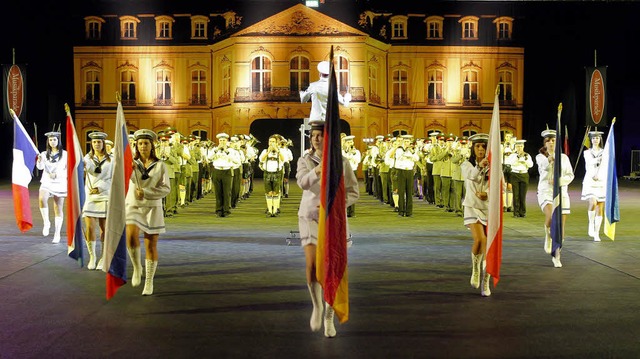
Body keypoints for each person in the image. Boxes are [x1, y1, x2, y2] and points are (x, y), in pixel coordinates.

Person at [297, 120, 359, 338]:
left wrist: (335, 204)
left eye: (320, 135)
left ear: (328, 138)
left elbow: (353, 192)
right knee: (313, 264)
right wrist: (317, 169)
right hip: (310, 217)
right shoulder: (304, 160)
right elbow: (302, 183)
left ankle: (329, 316)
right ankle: (317, 305)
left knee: (332, 268)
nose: (316, 138)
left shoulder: (342, 162)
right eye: (313, 135)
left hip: (333, 219)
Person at [125, 129, 171, 296]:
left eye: (146, 143)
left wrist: (147, 192)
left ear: (152, 145)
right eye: (140, 143)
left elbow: (166, 188)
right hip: (133, 205)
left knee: (150, 245)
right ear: (136, 145)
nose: (143, 146)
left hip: (152, 207)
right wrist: (126, 167)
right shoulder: (130, 164)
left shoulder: (160, 166)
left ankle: (149, 281)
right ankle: (137, 268)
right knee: (130, 238)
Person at [536, 129, 574, 268]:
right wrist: (549, 160)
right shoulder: (540, 157)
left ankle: (557, 254)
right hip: (546, 191)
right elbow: (543, 167)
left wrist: (560, 181)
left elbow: (570, 175)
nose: (551, 143)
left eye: (553, 140)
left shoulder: (564, 158)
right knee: (551, 218)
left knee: (560, 226)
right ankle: (548, 236)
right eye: (548, 141)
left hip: (561, 192)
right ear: (544, 143)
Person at [460, 133, 492, 297]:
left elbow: (498, 186)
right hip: (472, 207)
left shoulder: (494, 165)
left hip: (488, 208)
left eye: (483, 146)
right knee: (480, 239)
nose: (480, 149)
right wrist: (480, 165)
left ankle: (486, 282)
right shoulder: (466, 164)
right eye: (477, 146)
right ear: (472, 148)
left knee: (489, 246)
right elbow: (471, 176)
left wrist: (488, 194)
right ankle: (475, 269)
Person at [82, 131, 113, 270]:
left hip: (105, 195)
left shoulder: (111, 159)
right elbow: (82, 174)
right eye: (94, 142)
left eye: (99, 142)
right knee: (89, 227)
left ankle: (103, 256)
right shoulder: (86, 159)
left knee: (104, 228)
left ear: (103, 143)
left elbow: (112, 179)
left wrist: (100, 188)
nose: (96, 144)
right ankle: (92, 256)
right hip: (90, 195)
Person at [36, 131, 68, 243]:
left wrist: (58, 175)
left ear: (58, 141)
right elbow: (40, 168)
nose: (52, 142)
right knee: (42, 199)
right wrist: (39, 161)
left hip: (59, 182)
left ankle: (57, 233)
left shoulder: (65, 154)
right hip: (47, 181)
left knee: (57, 207)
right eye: (50, 140)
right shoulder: (44, 154)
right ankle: (46, 222)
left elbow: (68, 170)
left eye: (54, 139)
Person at [580, 130, 606, 242]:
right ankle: (591, 223)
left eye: (597, 138)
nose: (596, 140)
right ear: (591, 140)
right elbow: (590, 163)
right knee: (593, 202)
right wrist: (600, 159)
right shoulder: (587, 152)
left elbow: (606, 167)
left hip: (601, 181)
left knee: (600, 207)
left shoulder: (605, 152)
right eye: (594, 138)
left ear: (600, 139)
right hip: (590, 180)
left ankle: (596, 232)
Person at [504, 139, 533, 218]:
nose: (519, 148)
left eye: (521, 146)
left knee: (522, 195)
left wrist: (525, 160)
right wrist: (518, 158)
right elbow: (510, 163)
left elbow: (530, 165)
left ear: (523, 147)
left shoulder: (527, 155)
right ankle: (516, 212)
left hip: (524, 174)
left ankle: (522, 212)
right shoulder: (512, 155)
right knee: (516, 194)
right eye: (517, 146)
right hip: (515, 174)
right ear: (515, 147)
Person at [259, 135, 285, 217]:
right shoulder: (265, 151)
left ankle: (275, 210)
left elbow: (283, 159)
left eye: (273, 142)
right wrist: (268, 152)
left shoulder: (280, 151)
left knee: (276, 192)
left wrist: (277, 151)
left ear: (277, 143)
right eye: (270, 142)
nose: (271, 143)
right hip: (267, 173)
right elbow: (261, 159)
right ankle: (270, 210)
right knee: (269, 192)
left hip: (277, 173)